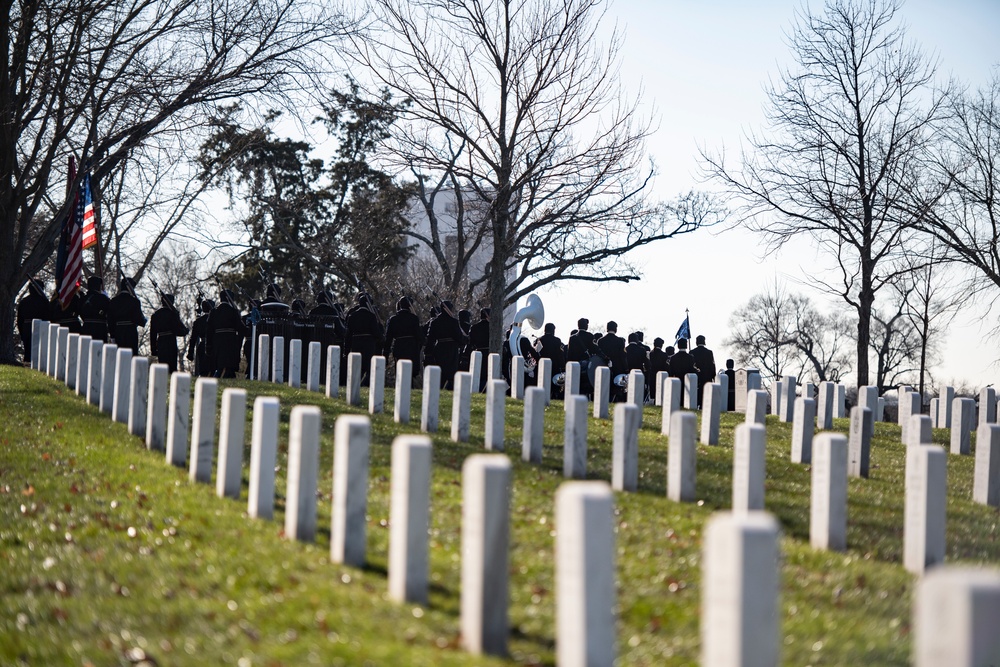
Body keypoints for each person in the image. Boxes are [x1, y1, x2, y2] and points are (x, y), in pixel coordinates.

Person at [424, 300, 467, 389]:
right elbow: (458, 337)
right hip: (451, 350)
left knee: (441, 371)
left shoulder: (435, 322)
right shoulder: (453, 322)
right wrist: (466, 339)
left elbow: (430, 338)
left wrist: (428, 353)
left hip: (439, 348)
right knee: (451, 372)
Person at [205, 289, 246, 378]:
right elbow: (240, 328)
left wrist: (208, 345)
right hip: (230, 341)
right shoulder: (233, 311)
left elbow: (209, 330)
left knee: (221, 365)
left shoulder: (214, 312)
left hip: (217, 341)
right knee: (226, 367)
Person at [345, 293, 383, 383]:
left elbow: (348, 334)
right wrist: (381, 334)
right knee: (369, 368)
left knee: (358, 368)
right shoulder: (371, 316)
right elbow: (376, 332)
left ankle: (356, 384)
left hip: (356, 345)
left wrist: (346, 350)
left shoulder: (352, 316)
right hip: (368, 345)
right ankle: (363, 385)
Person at [383, 296, 423, 383]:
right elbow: (418, 335)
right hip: (411, 348)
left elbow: (388, 337)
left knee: (400, 371)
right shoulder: (414, 318)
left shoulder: (393, 319)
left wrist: (385, 353)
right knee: (410, 372)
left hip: (399, 347)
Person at [149, 292, 189, 373]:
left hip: (160, 341)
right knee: (172, 366)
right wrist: (185, 331)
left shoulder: (156, 315)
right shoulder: (172, 314)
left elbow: (152, 333)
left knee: (162, 365)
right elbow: (177, 329)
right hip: (170, 341)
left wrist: (153, 348)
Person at [108, 275, 146, 355]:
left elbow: (110, 320)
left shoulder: (113, 301)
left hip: (118, 331)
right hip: (130, 332)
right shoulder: (135, 302)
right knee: (131, 356)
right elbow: (138, 319)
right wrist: (143, 320)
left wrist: (112, 335)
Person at [16, 278, 49, 363]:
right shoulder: (44, 302)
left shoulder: (24, 302)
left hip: (27, 329)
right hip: (40, 328)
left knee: (29, 352)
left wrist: (22, 332)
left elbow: (20, 320)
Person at [78, 276, 112, 342]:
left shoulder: (83, 298)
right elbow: (109, 312)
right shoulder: (103, 298)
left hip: (87, 327)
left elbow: (80, 311)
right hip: (100, 329)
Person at [187, 298, 215, 376]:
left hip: (202, 346)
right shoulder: (215, 320)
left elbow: (193, 338)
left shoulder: (198, 322)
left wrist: (190, 352)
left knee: (203, 369)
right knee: (213, 369)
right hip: (214, 345)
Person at [691, 334, 717, 408]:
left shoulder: (692, 352)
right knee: (706, 394)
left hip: (696, 377)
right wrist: (713, 376)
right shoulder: (709, 352)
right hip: (707, 377)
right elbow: (712, 365)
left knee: (697, 394)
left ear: (696, 342)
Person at [467, 308, 491, 391]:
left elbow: (471, 341)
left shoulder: (474, 327)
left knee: (479, 372)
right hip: (489, 353)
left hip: (478, 352)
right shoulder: (491, 327)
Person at [668, 337, 696, 405]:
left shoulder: (673, 358)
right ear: (686, 346)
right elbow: (691, 370)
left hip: (676, 379)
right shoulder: (690, 357)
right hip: (687, 381)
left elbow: (671, 370)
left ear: (678, 346)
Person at [648, 337, 669, 402]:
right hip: (661, 375)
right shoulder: (664, 354)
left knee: (652, 391)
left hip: (652, 374)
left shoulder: (650, 353)